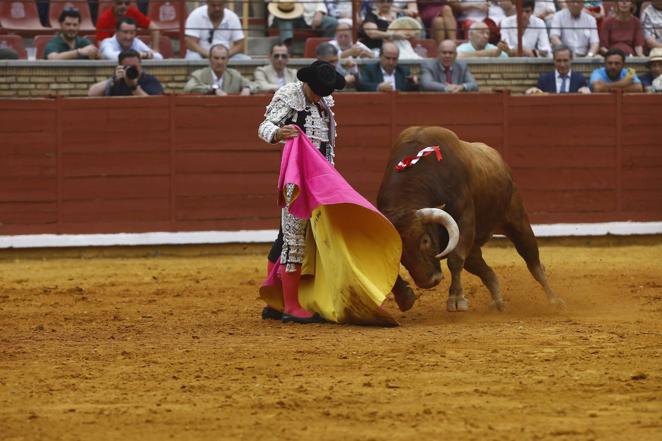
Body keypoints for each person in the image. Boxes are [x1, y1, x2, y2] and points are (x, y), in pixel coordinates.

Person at [257, 60, 346, 323]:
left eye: (324, 91)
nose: (320, 95)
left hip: (320, 180)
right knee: (293, 240)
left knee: (286, 237)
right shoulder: (289, 95)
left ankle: (275, 301)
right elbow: (264, 126)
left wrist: (331, 177)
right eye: (317, 90)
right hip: (296, 181)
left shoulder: (324, 102)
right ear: (306, 82)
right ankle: (292, 307)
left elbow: (327, 144)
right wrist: (277, 133)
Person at [185, 0, 249, 60]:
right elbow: (189, 42)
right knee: (192, 58)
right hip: (201, 55)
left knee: (245, 59)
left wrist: (224, 55)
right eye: (214, 5)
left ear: (224, 4)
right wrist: (209, 55)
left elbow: (240, 45)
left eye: (220, 5)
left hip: (226, 57)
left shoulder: (232, 17)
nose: (217, 8)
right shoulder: (196, 15)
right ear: (207, 3)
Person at [88, 49, 164, 96]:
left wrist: (134, 87)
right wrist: (113, 79)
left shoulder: (149, 80)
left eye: (134, 67)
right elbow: (91, 94)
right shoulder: (117, 81)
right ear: (120, 67)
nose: (131, 70)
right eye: (127, 67)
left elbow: (153, 104)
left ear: (140, 65)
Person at [183, 44, 255, 95]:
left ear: (227, 60)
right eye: (216, 58)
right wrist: (212, 89)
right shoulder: (200, 74)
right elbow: (188, 88)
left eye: (223, 58)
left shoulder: (234, 75)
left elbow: (255, 85)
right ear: (210, 59)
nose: (220, 62)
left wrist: (247, 88)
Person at [96, 0, 160, 53]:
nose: (123, 6)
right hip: (113, 54)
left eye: (127, 3)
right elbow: (102, 47)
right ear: (113, 3)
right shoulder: (104, 19)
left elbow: (155, 29)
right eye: (119, 3)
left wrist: (155, 49)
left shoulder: (133, 12)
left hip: (132, 50)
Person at [526, 44, 591, 94]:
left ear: (571, 60)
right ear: (554, 60)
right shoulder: (544, 79)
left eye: (565, 60)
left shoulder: (579, 79)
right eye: (559, 61)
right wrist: (532, 92)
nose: (562, 65)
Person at [268, 0, 338, 45]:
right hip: (285, 15)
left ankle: (326, 49)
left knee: (332, 23)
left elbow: (320, 2)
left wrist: (320, 11)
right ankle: (286, 50)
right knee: (284, 19)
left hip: (309, 17)